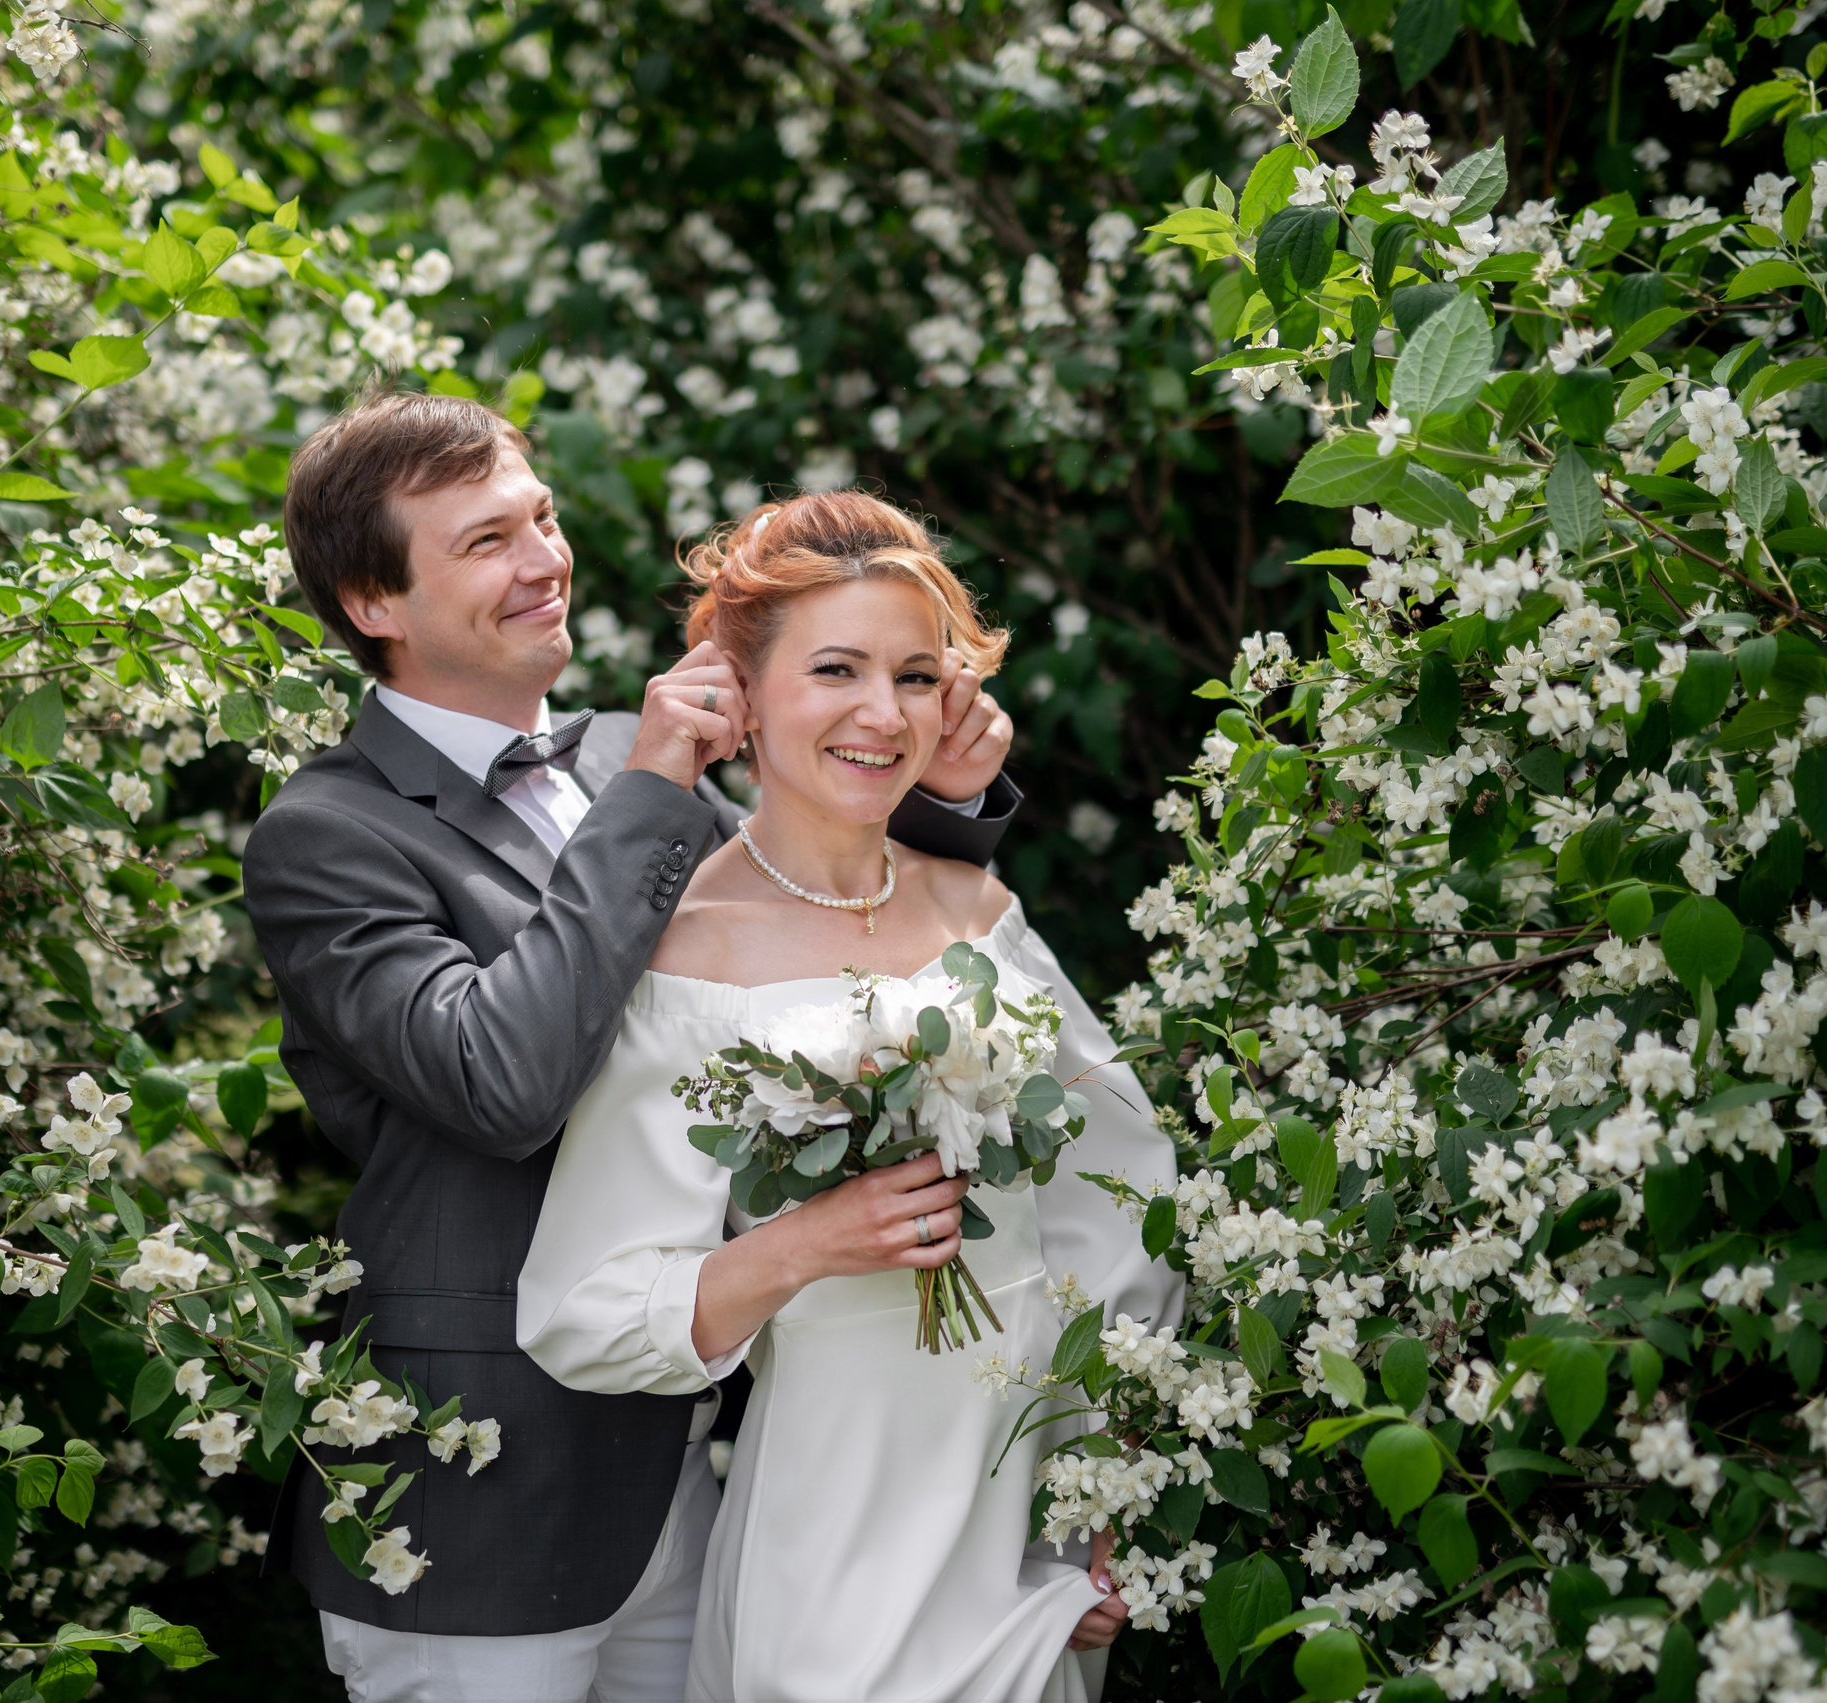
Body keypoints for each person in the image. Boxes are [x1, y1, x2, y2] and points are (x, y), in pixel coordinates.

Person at [243, 390, 1022, 1703]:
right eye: (485, 541)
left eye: (539, 518)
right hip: (472, 1501)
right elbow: (502, 1080)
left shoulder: (621, 750)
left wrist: (940, 807)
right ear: (375, 603)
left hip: (687, 1454)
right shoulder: (326, 836)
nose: (544, 559)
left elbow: (807, 933)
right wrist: (656, 791)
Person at [515, 491, 1185, 1703]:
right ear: (741, 691)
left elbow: (1122, 1199)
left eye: (918, 675)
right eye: (836, 669)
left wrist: (1109, 1487)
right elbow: (582, 1307)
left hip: (1031, 1523)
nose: (883, 713)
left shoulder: (979, 912)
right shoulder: (682, 956)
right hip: (837, 1533)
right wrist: (805, 1246)